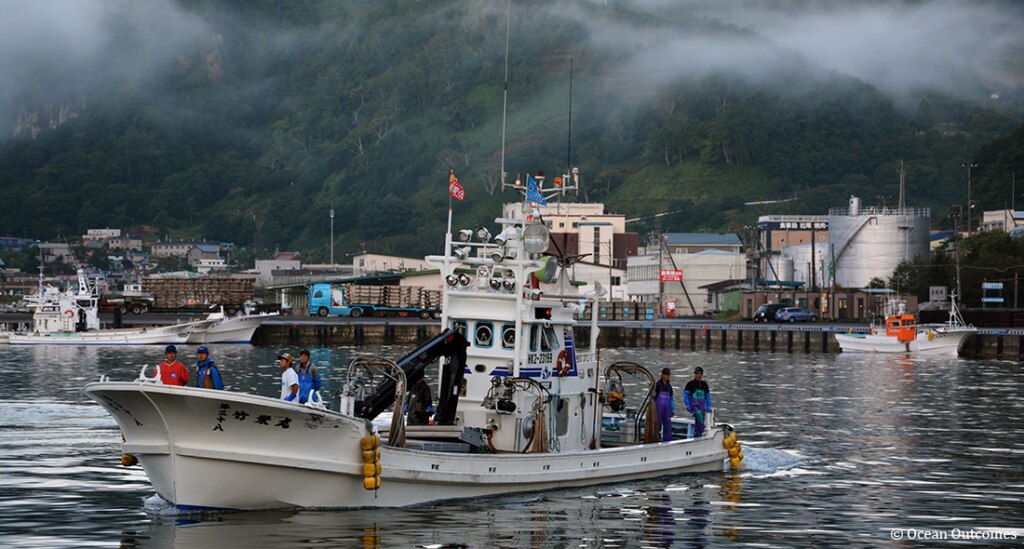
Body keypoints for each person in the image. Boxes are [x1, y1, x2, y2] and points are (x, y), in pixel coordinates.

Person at [683, 367, 713, 438]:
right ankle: (702, 431)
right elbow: (685, 395)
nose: (696, 375)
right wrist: (687, 405)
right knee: (698, 415)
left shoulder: (704, 384)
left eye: (698, 374)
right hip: (694, 405)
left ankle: (697, 438)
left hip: (702, 406)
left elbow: (707, 396)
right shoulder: (690, 384)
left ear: (701, 375)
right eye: (695, 373)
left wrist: (708, 406)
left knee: (698, 422)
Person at [653, 367, 674, 442]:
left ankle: (667, 441)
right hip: (658, 409)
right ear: (662, 375)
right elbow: (653, 397)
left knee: (668, 425)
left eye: (668, 375)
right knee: (657, 425)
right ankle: (655, 440)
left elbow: (671, 398)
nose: (667, 376)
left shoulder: (669, 386)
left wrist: (672, 408)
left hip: (667, 410)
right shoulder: (657, 385)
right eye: (666, 375)